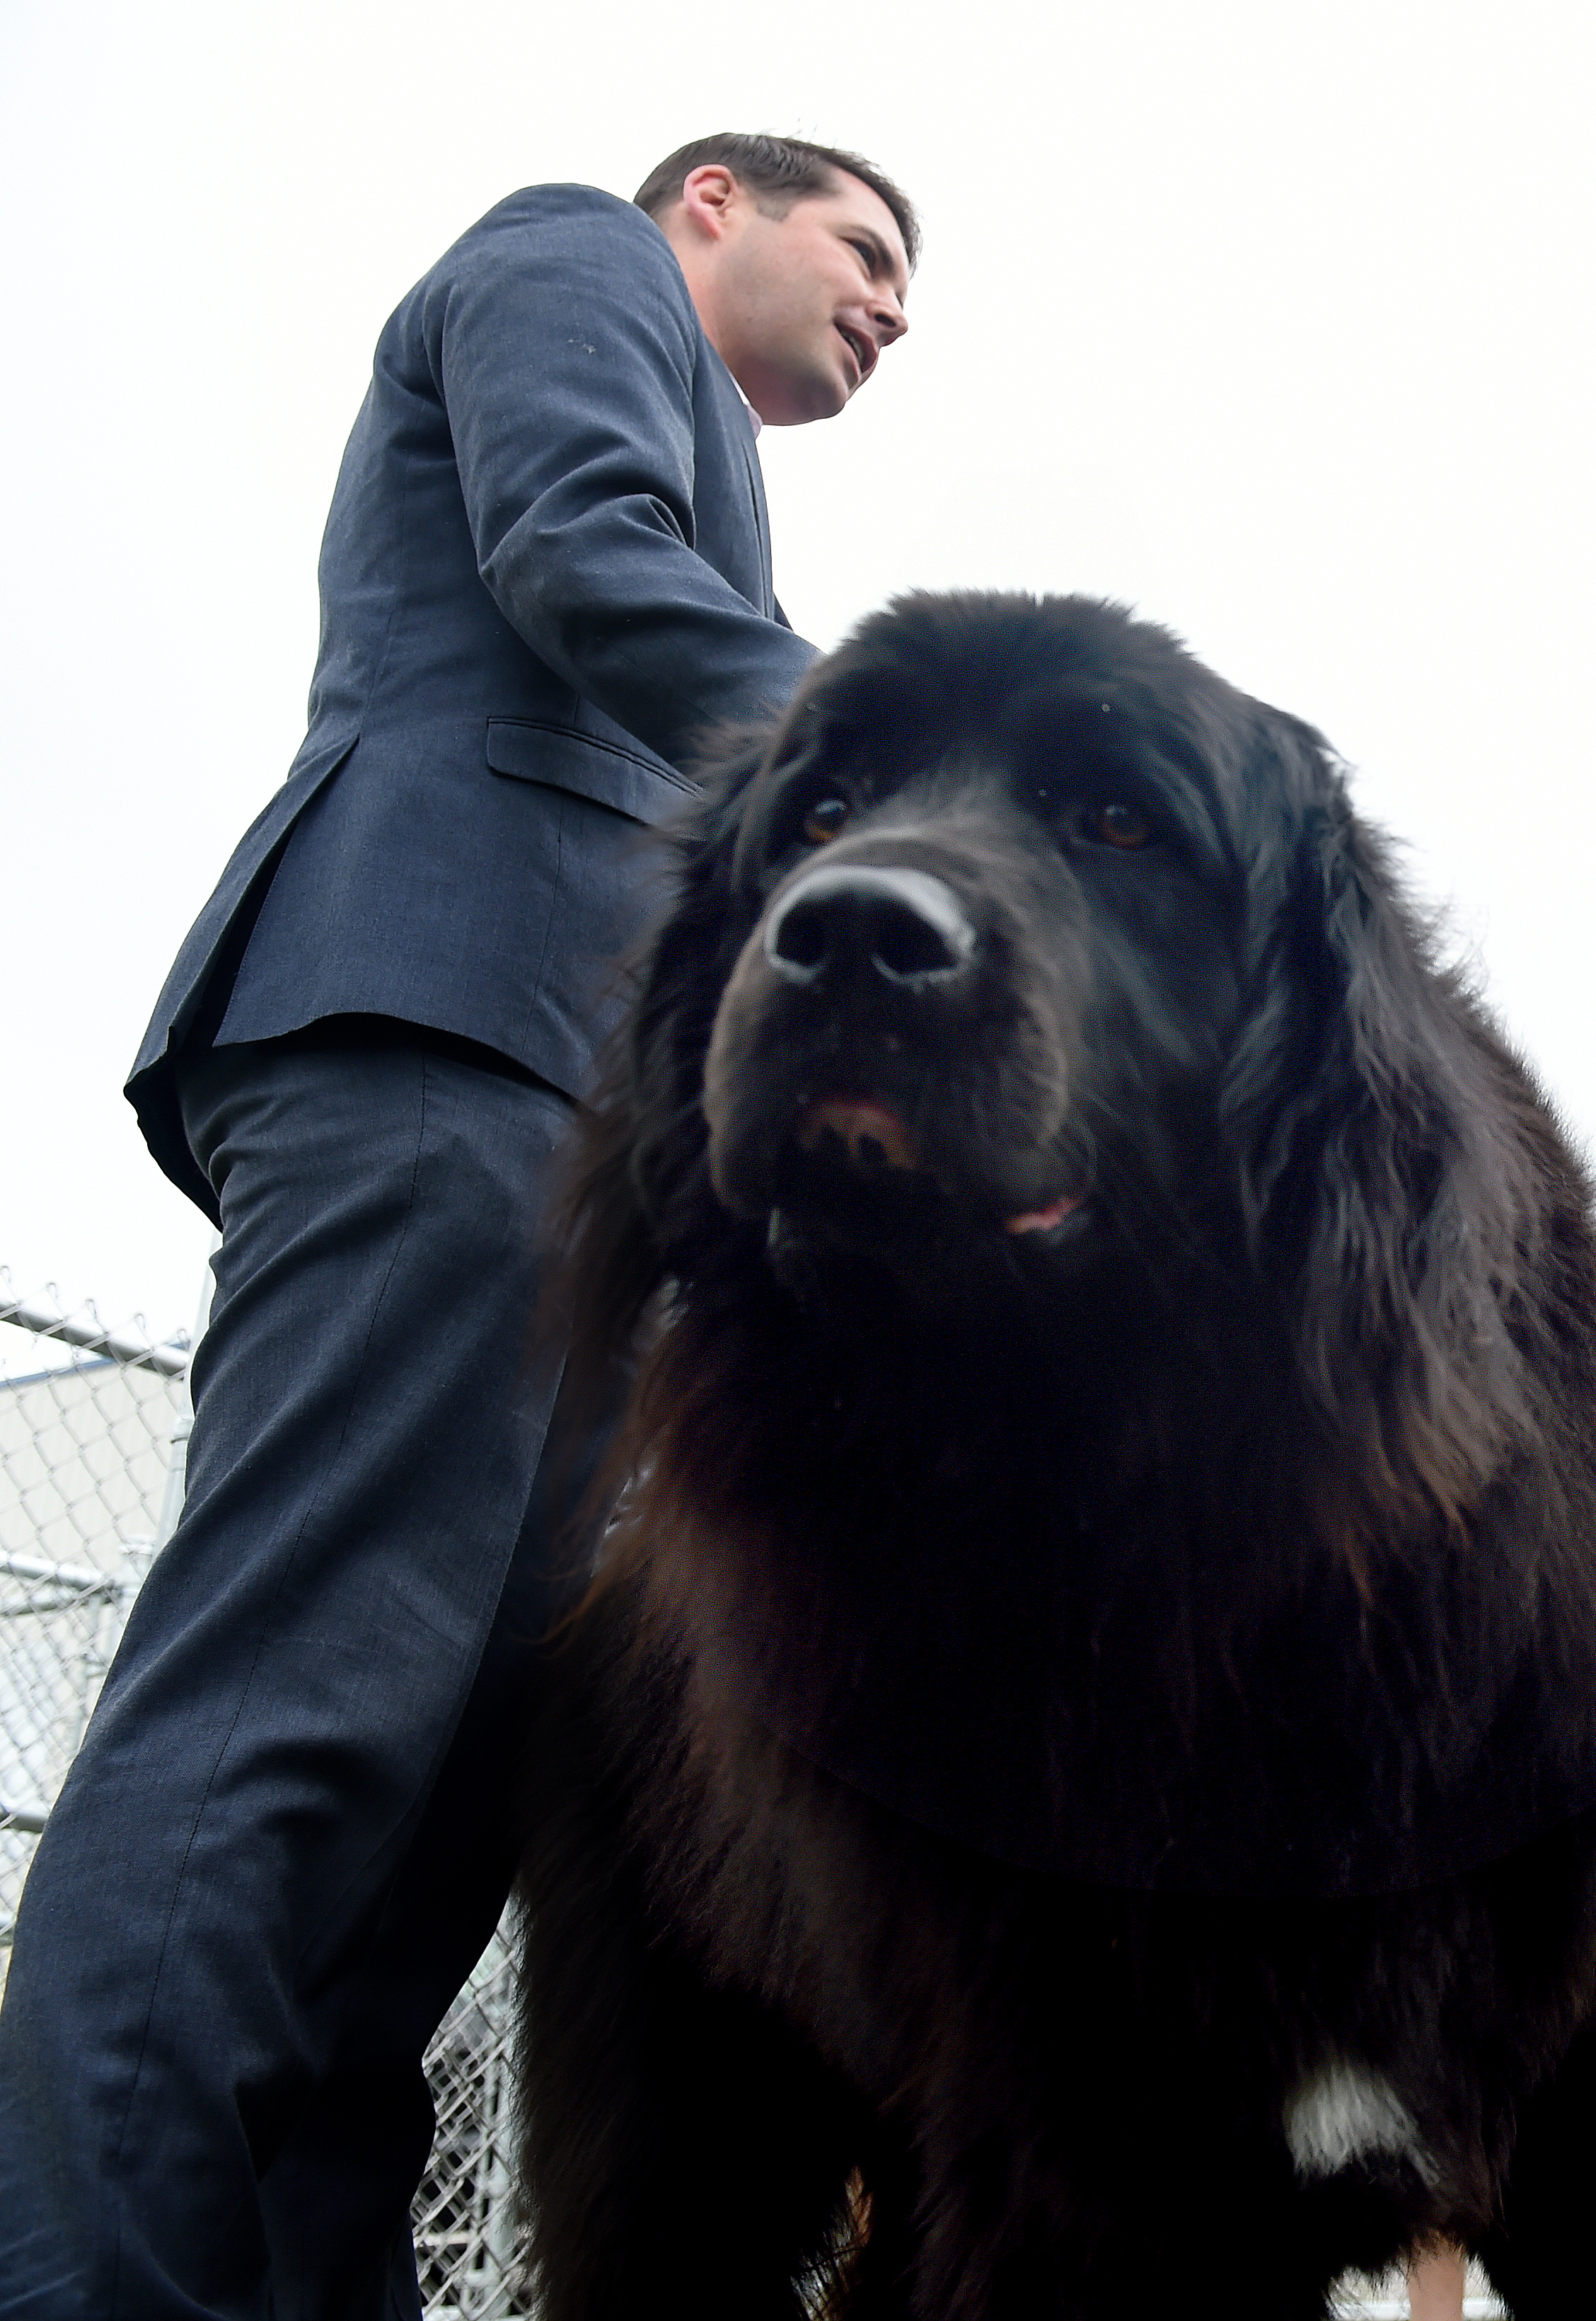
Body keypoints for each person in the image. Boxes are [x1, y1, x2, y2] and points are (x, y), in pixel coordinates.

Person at [0, 136, 916, 2314]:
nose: (890, 306)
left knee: (433, 1789)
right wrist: (914, 764)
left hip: (576, 1130)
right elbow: (581, 546)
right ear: (717, 199)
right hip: (429, 1023)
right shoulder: (572, 255)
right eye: (868, 248)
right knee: (305, 1689)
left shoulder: (720, 429)